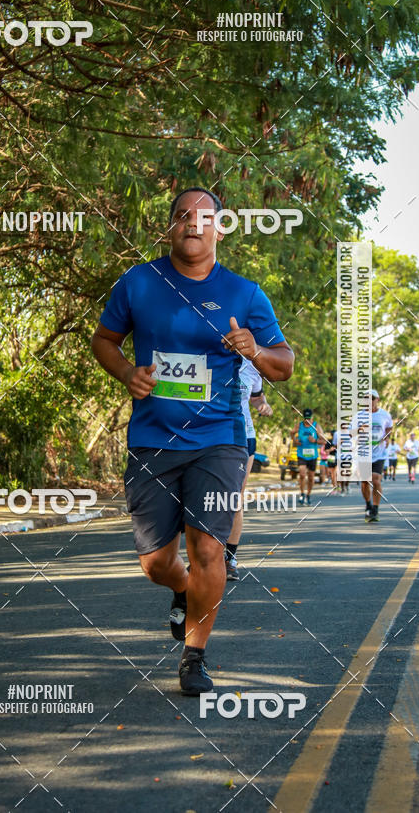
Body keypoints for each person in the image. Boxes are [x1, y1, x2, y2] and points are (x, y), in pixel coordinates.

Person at [91, 187, 294, 696]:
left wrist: (254, 350)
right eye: (183, 216)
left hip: (219, 439)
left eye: (205, 218)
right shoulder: (138, 282)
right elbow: (104, 340)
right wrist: (126, 373)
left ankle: (194, 656)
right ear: (171, 226)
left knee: (209, 548)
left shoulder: (246, 294)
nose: (193, 224)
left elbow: (285, 364)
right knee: (156, 562)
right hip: (153, 439)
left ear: (219, 229)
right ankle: (181, 589)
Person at [224, 358, 273, 581]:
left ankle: (229, 558)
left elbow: (256, 397)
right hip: (210, 435)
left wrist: (263, 405)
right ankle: (203, 555)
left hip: (244, 436)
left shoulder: (254, 365)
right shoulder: (208, 354)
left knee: (235, 499)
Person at [353, 388, 392, 522]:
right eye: (366, 398)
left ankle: (375, 508)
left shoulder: (384, 415)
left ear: (377, 400)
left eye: (372, 398)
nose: (369, 401)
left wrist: (386, 438)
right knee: (365, 481)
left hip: (379, 453)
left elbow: (389, 428)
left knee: (375, 479)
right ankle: (368, 504)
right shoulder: (359, 416)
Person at [291, 409, 327, 505]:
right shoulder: (299, 425)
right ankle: (302, 493)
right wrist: (295, 441)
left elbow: (324, 441)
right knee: (302, 474)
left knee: (311, 477)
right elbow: (292, 432)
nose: (307, 421)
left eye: (309, 418)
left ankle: (308, 494)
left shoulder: (316, 427)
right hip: (301, 454)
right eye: (305, 419)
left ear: (312, 418)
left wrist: (315, 441)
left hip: (313, 456)